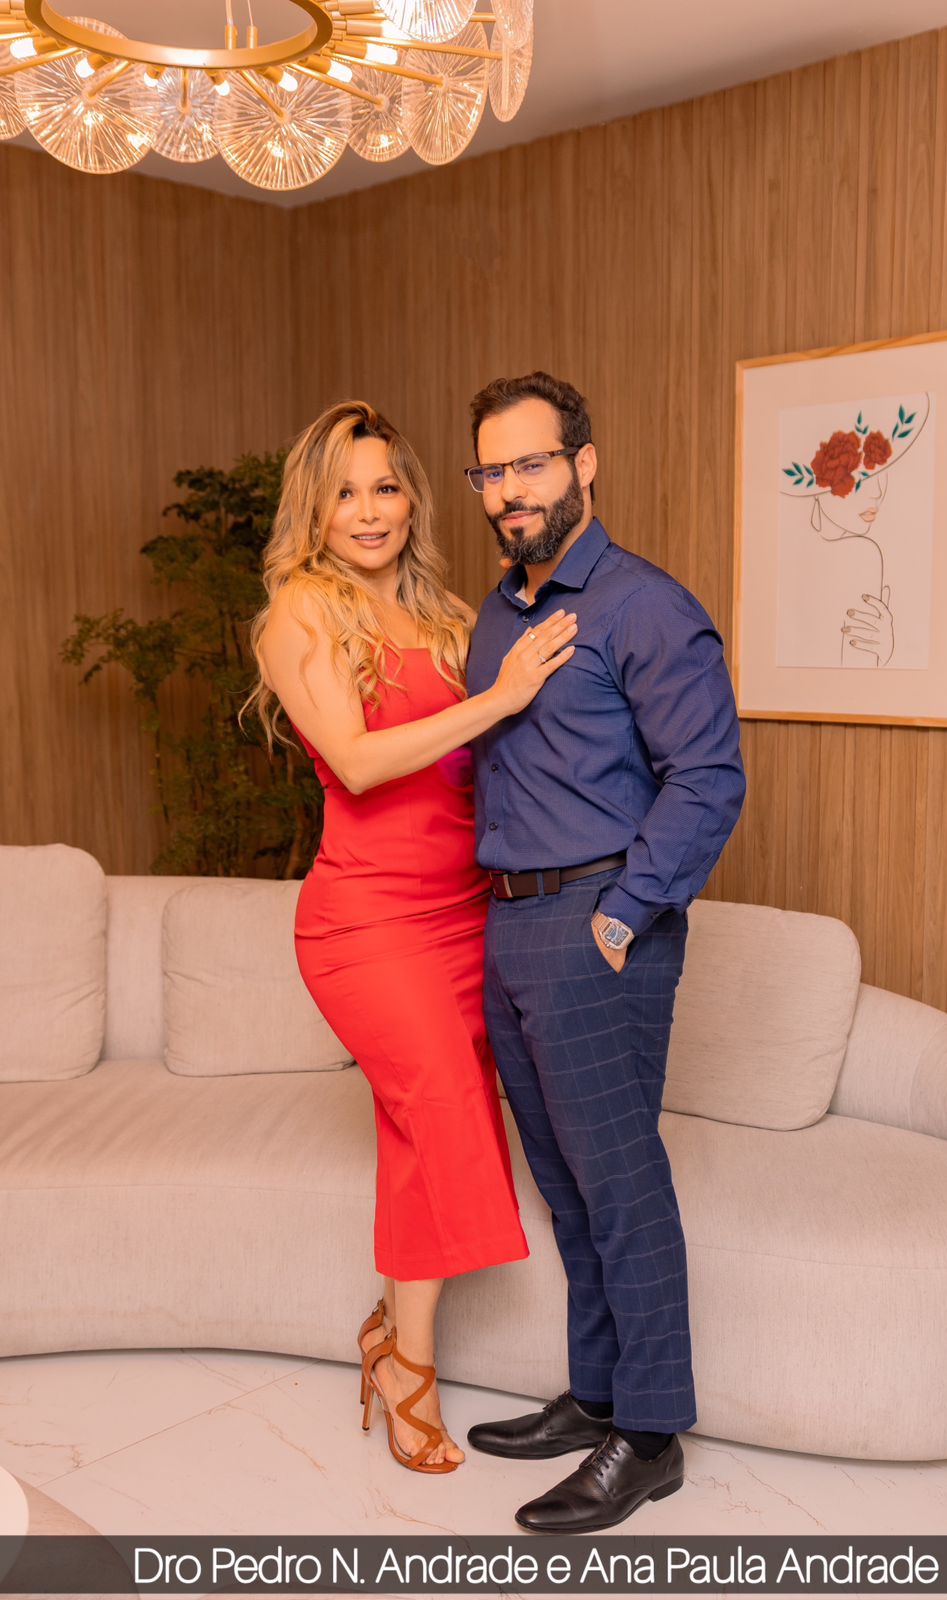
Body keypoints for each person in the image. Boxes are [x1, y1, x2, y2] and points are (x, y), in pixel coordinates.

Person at [241, 399, 579, 1474]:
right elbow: (358, 761)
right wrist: (504, 694)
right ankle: (408, 1373)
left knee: (417, 1130)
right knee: (442, 1110)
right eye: (345, 492)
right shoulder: (299, 611)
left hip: (465, 910)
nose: (369, 510)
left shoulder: (443, 611)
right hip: (367, 922)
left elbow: (496, 764)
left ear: (412, 499)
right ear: (314, 509)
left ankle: (393, 1339)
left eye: (386, 486)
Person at [462, 371, 747, 1532]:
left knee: (620, 1186)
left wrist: (623, 916)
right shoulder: (498, 616)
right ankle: (596, 1396)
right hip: (509, 925)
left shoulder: (643, 606)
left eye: (531, 464)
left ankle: (651, 1433)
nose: (509, 490)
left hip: (596, 925)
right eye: (492, 470)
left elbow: (710, 776)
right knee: (568, 1186)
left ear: (585, 465)